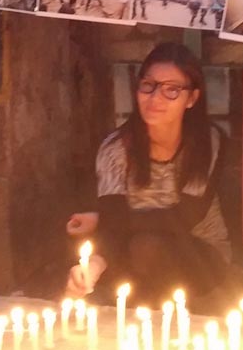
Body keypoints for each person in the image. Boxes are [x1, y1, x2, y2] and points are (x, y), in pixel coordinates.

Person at [64, 43, 232, 309]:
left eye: (171, 90)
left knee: (146, 247)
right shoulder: (115, 149)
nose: (155, 98)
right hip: (130, 250)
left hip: (199, 256)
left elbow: (185, 216)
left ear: (191, 98)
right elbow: (115, 225)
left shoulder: (207, 143)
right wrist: (94, 263)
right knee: (114, 254)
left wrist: (103, 219)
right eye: (148, 85)